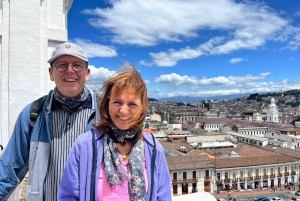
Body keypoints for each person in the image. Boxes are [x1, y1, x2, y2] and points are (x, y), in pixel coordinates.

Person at [58, 64, 172, 201]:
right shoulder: (85, 146)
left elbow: (163, 197)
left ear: (142, 108)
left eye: (132, 104)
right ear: (107, 104)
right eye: (117, 102)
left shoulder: (153, 149)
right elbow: (68, 197)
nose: (124, 110)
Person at [0, 43, 98, 201]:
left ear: (86, 73)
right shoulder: (33, 113)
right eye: (62, 65)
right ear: (51, 73)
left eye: (77, 65)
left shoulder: (104, 113)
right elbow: (9, 170)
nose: (70, 70)